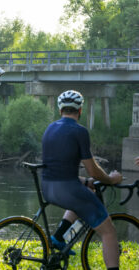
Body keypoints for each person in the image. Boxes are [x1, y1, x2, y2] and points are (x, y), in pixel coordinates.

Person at [41, 90, 122, 270]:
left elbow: (58, 170)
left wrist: (86, 182)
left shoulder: (50, 128)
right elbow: (93, 169)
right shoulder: (80, 131)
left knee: (88, 191)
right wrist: (110, 178)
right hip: (68, 191)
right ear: (80, 110)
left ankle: (59, 237)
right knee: (108, 232)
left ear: (60, 110)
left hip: (47, 188)